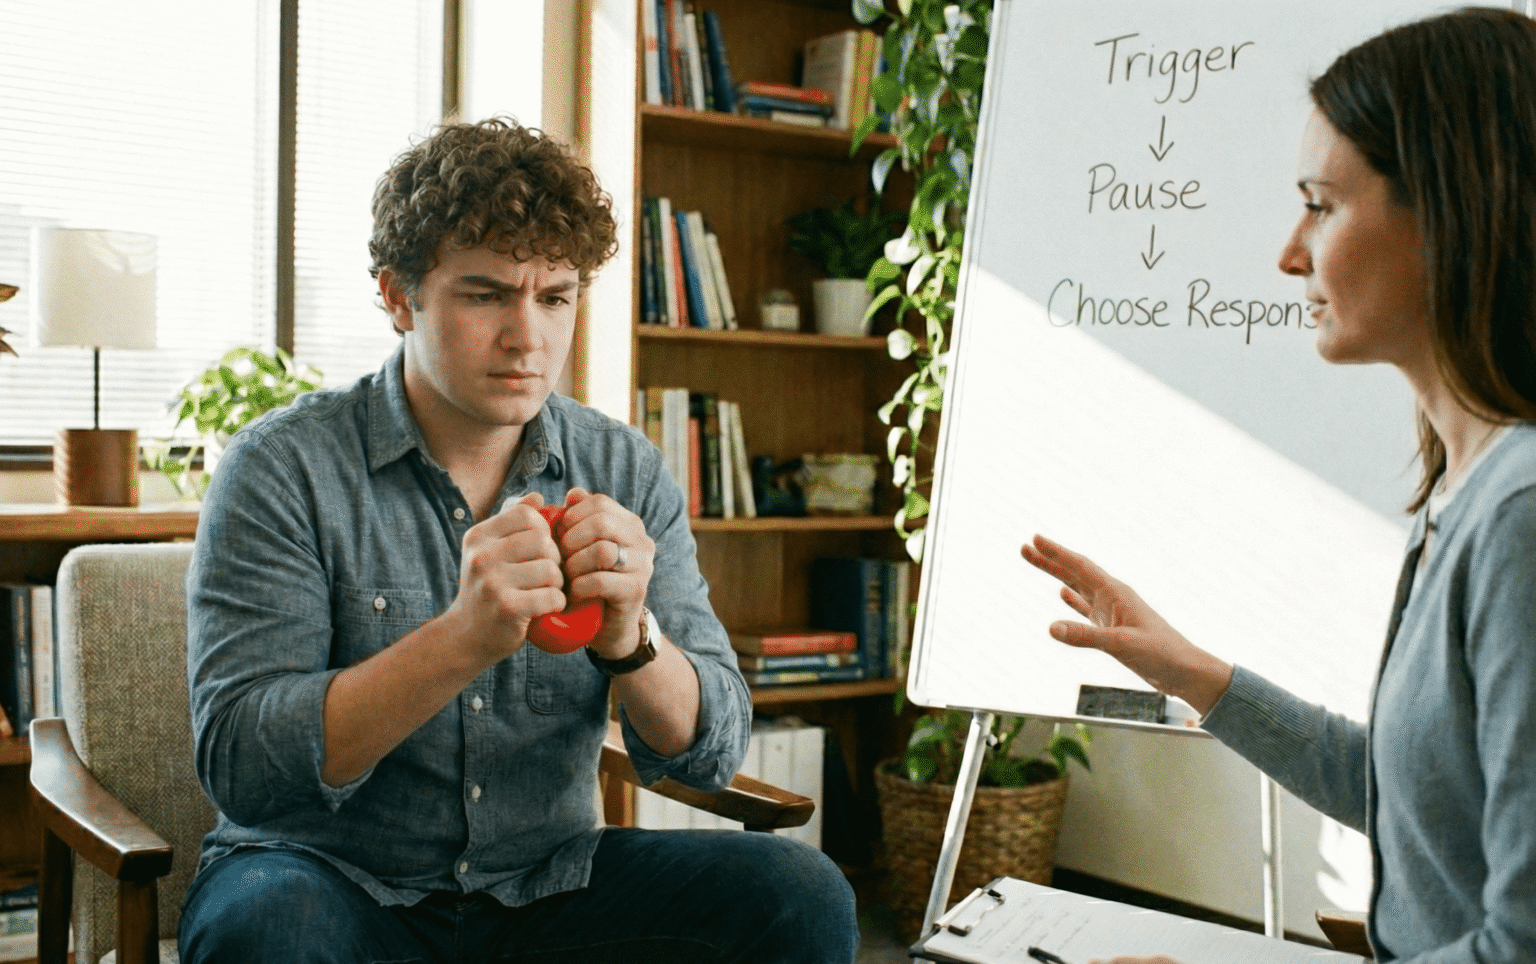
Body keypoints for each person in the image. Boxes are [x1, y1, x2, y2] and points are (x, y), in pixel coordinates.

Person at [178, 116, 858, 963]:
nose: (528, 336)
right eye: (486, 294)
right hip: (331, 878)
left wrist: (631, 640)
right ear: (398, 295)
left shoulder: (623, 466)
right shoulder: (283, 467)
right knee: (268, 930)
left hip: (551, 886)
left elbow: (712, 749)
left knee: (799, 895)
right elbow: (244, 764)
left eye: (555, 297)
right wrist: (462, 639)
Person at [1021, 8, 1536, 964]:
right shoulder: (1469, 492)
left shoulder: (1521, 519)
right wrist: (1189, 671)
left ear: (1453, 205)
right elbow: (1400, 789)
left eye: (1322, 203)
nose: (1290, 253)